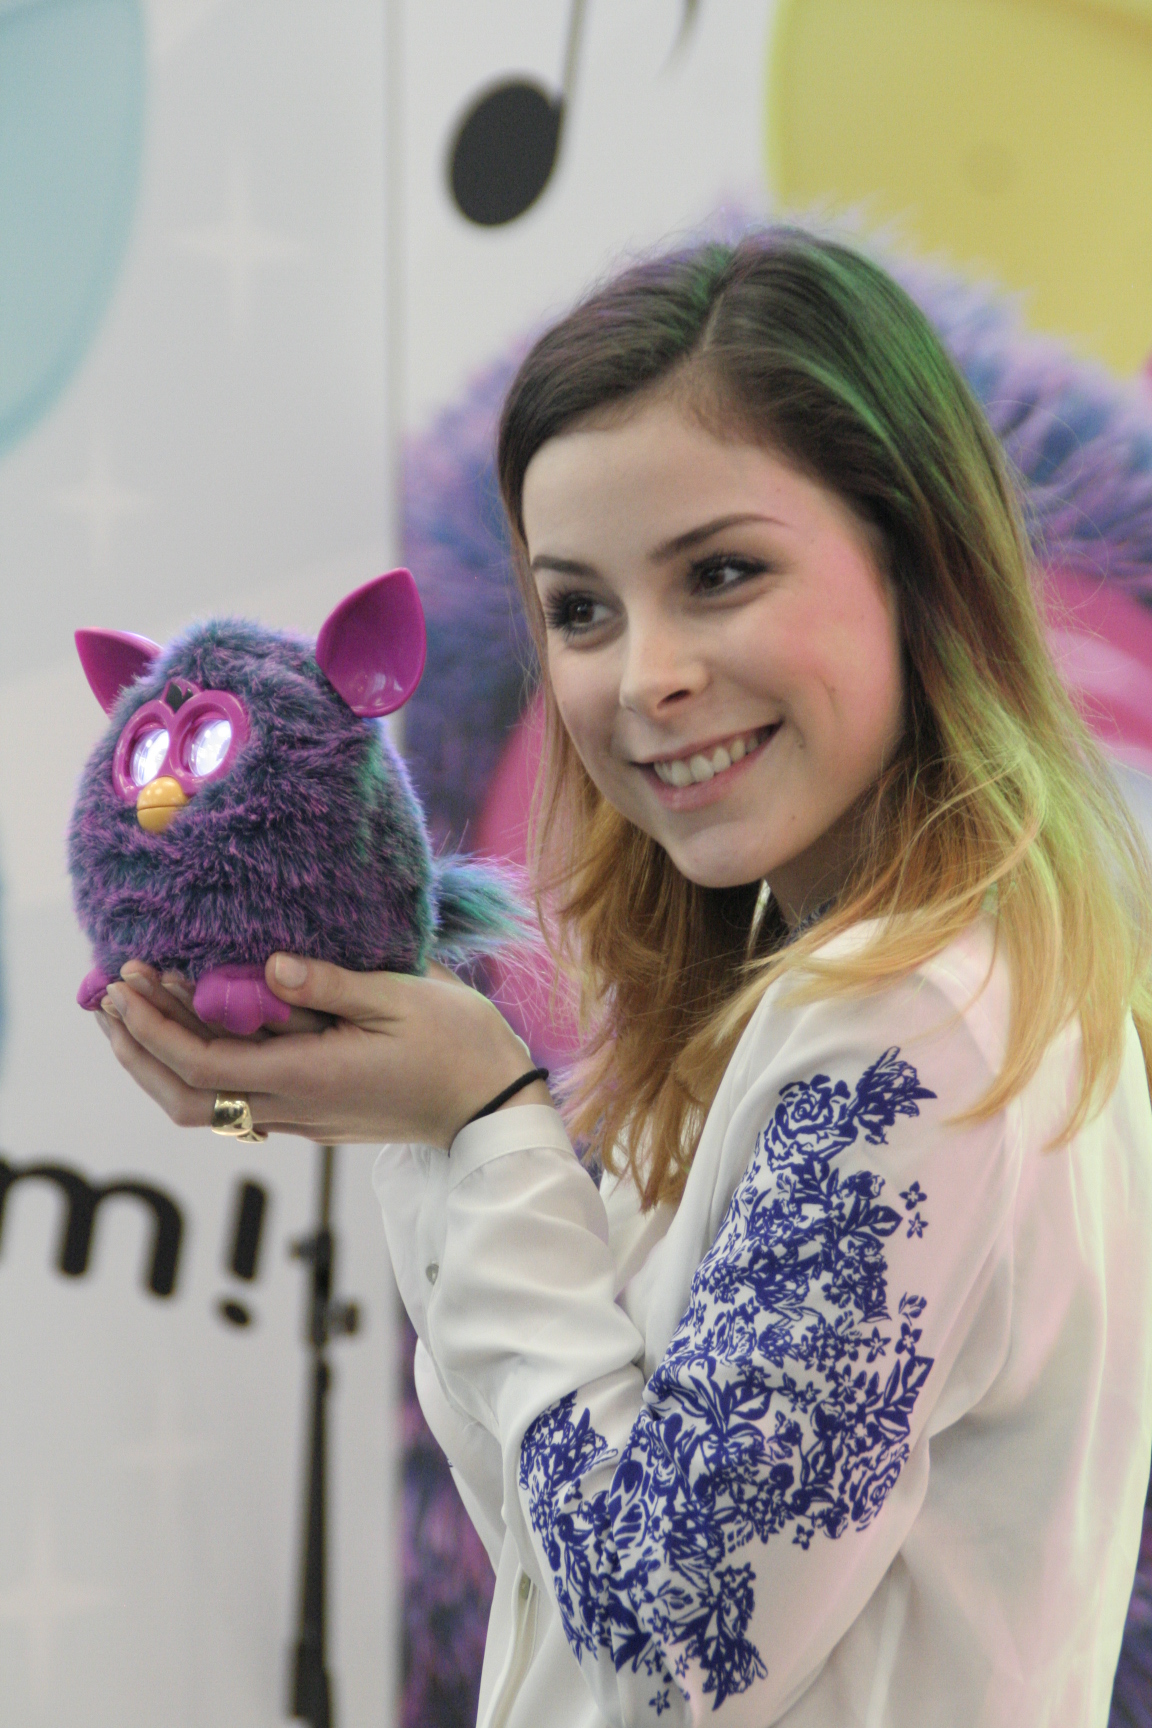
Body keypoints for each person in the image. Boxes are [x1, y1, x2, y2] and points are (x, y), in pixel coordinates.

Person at [96, 229, 1152, 1727]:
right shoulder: (845, 992)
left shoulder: (908, 1026)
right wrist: (416, 1122)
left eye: (720, 574)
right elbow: (559, 1551)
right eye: (581, 610)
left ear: (916, 562)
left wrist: (487, 1119)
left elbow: (664, 1649)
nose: (644, 675)